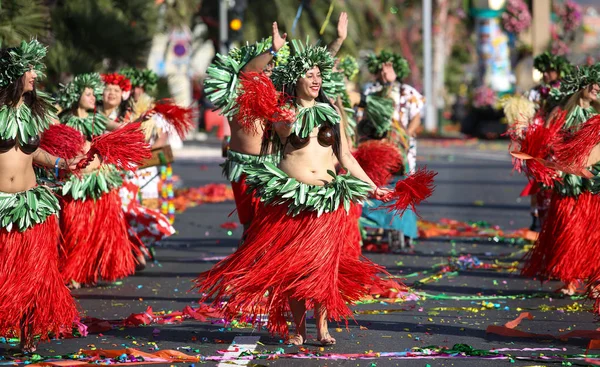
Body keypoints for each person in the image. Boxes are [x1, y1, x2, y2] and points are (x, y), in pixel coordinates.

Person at [195, 38, 401, 347]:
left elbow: (345, 157)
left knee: (322, 266)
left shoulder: (330, 113)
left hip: (327, 199)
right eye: (309, 74)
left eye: (319, 74)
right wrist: (283, 121)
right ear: (296, 80)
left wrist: (372, 187)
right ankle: (298, 329)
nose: (316, 79)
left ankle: (322, 328)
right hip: (293, 199)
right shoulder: (283, 113)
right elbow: (261, 103)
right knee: (294, 268)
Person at [0, 39, 82, 352]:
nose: (35, 74)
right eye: (28, 69)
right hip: (1, 206)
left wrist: (62, 162)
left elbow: (33, 152)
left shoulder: (33, 113)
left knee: (34, 273)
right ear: (11, 74)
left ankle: (27, 336)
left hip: (31, 204)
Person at [52, 73, 144, 287]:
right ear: (76, 95)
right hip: (75, 183)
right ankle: (72, 271)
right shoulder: (63, 120)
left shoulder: (98, 118)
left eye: (94, 94)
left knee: (94, 231)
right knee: (74, 230)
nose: (95, 98)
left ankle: (84, 271)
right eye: (89, 94)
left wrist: (140, 122)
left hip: (98, 182)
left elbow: (121, 130)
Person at [519, 64, 600, 295]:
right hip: (567, 183)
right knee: (568, 228)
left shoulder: (598, 115)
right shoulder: (560, 114)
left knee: (592, 232)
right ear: (579, 86)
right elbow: (544, 142)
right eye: (592, 84)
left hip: (591, 182)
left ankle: (595, 281)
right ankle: (570, 279)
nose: (596, 88)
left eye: (598, 85)